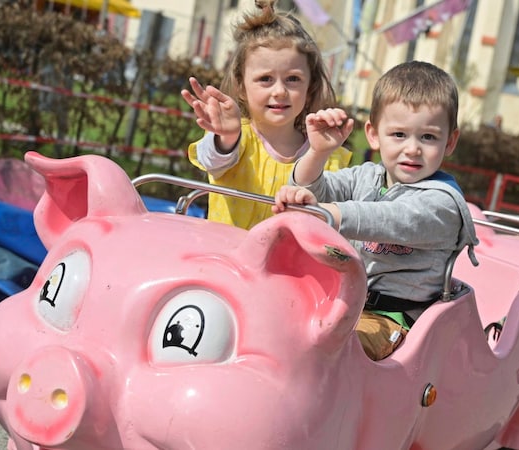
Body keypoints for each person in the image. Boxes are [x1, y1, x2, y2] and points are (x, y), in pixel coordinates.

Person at [273, 61, 480, 361]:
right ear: (373, 134)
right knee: (275, 318)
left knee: (331, 350)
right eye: (399, 135)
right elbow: (318, 190)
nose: (412, 149)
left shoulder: (443, 204)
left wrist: (330, 213)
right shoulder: (366, 176)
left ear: (450, 142)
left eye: (428, 137)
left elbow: (395, 219)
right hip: (340, 301)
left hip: (394, 319)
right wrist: (317, 154)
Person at [180, 0, 351, 230]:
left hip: (294, 266)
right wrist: (227, 137)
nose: (279, 91)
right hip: (229, 260)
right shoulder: (236, 141)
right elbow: (212, 160)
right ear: (241, 86)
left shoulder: (328, 154)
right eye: (265, 79)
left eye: (293, 79)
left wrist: (320, 153)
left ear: (309, 88)